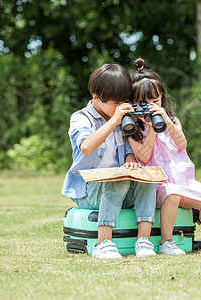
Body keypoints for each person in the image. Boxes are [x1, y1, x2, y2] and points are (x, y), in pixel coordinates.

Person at [127, 58, 201, 255]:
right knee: (172, 194)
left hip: (184, 181)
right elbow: (143, 157)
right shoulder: (132, 129)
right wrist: (150, 129)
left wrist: (165, 120)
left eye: (155, 101)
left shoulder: (172, 121)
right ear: (132, 104)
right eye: (143, 103)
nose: (150, 107)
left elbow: (182, 144)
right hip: (157, 185)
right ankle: (166, 242)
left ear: (162, 99)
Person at [61, 63, 157, 259]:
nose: (121, 107)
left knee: (147, 180)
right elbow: (87, 147)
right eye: (116, 103)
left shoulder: (121, 116)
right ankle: (103, 243)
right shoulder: (81, 118)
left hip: (117, 190)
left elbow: (128, 147)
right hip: (89, 191)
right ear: (96, 98)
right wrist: (114, 121)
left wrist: (130, 159)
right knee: (118, 180)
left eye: (125, 102)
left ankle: (144, 241)